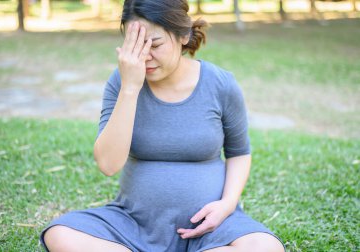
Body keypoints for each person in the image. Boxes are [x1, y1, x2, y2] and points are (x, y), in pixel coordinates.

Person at [40, 0, 286, 251]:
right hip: (132, 224)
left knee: (265, 246)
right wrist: (130, 88)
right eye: (136, 46)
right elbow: (108, 164)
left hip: (211, 227)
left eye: (154, 44)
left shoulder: (221, 84)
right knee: (60, 234)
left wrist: (227, 204)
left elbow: (239, 153)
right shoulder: (122, 83)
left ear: (184, 35)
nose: (144, 56)